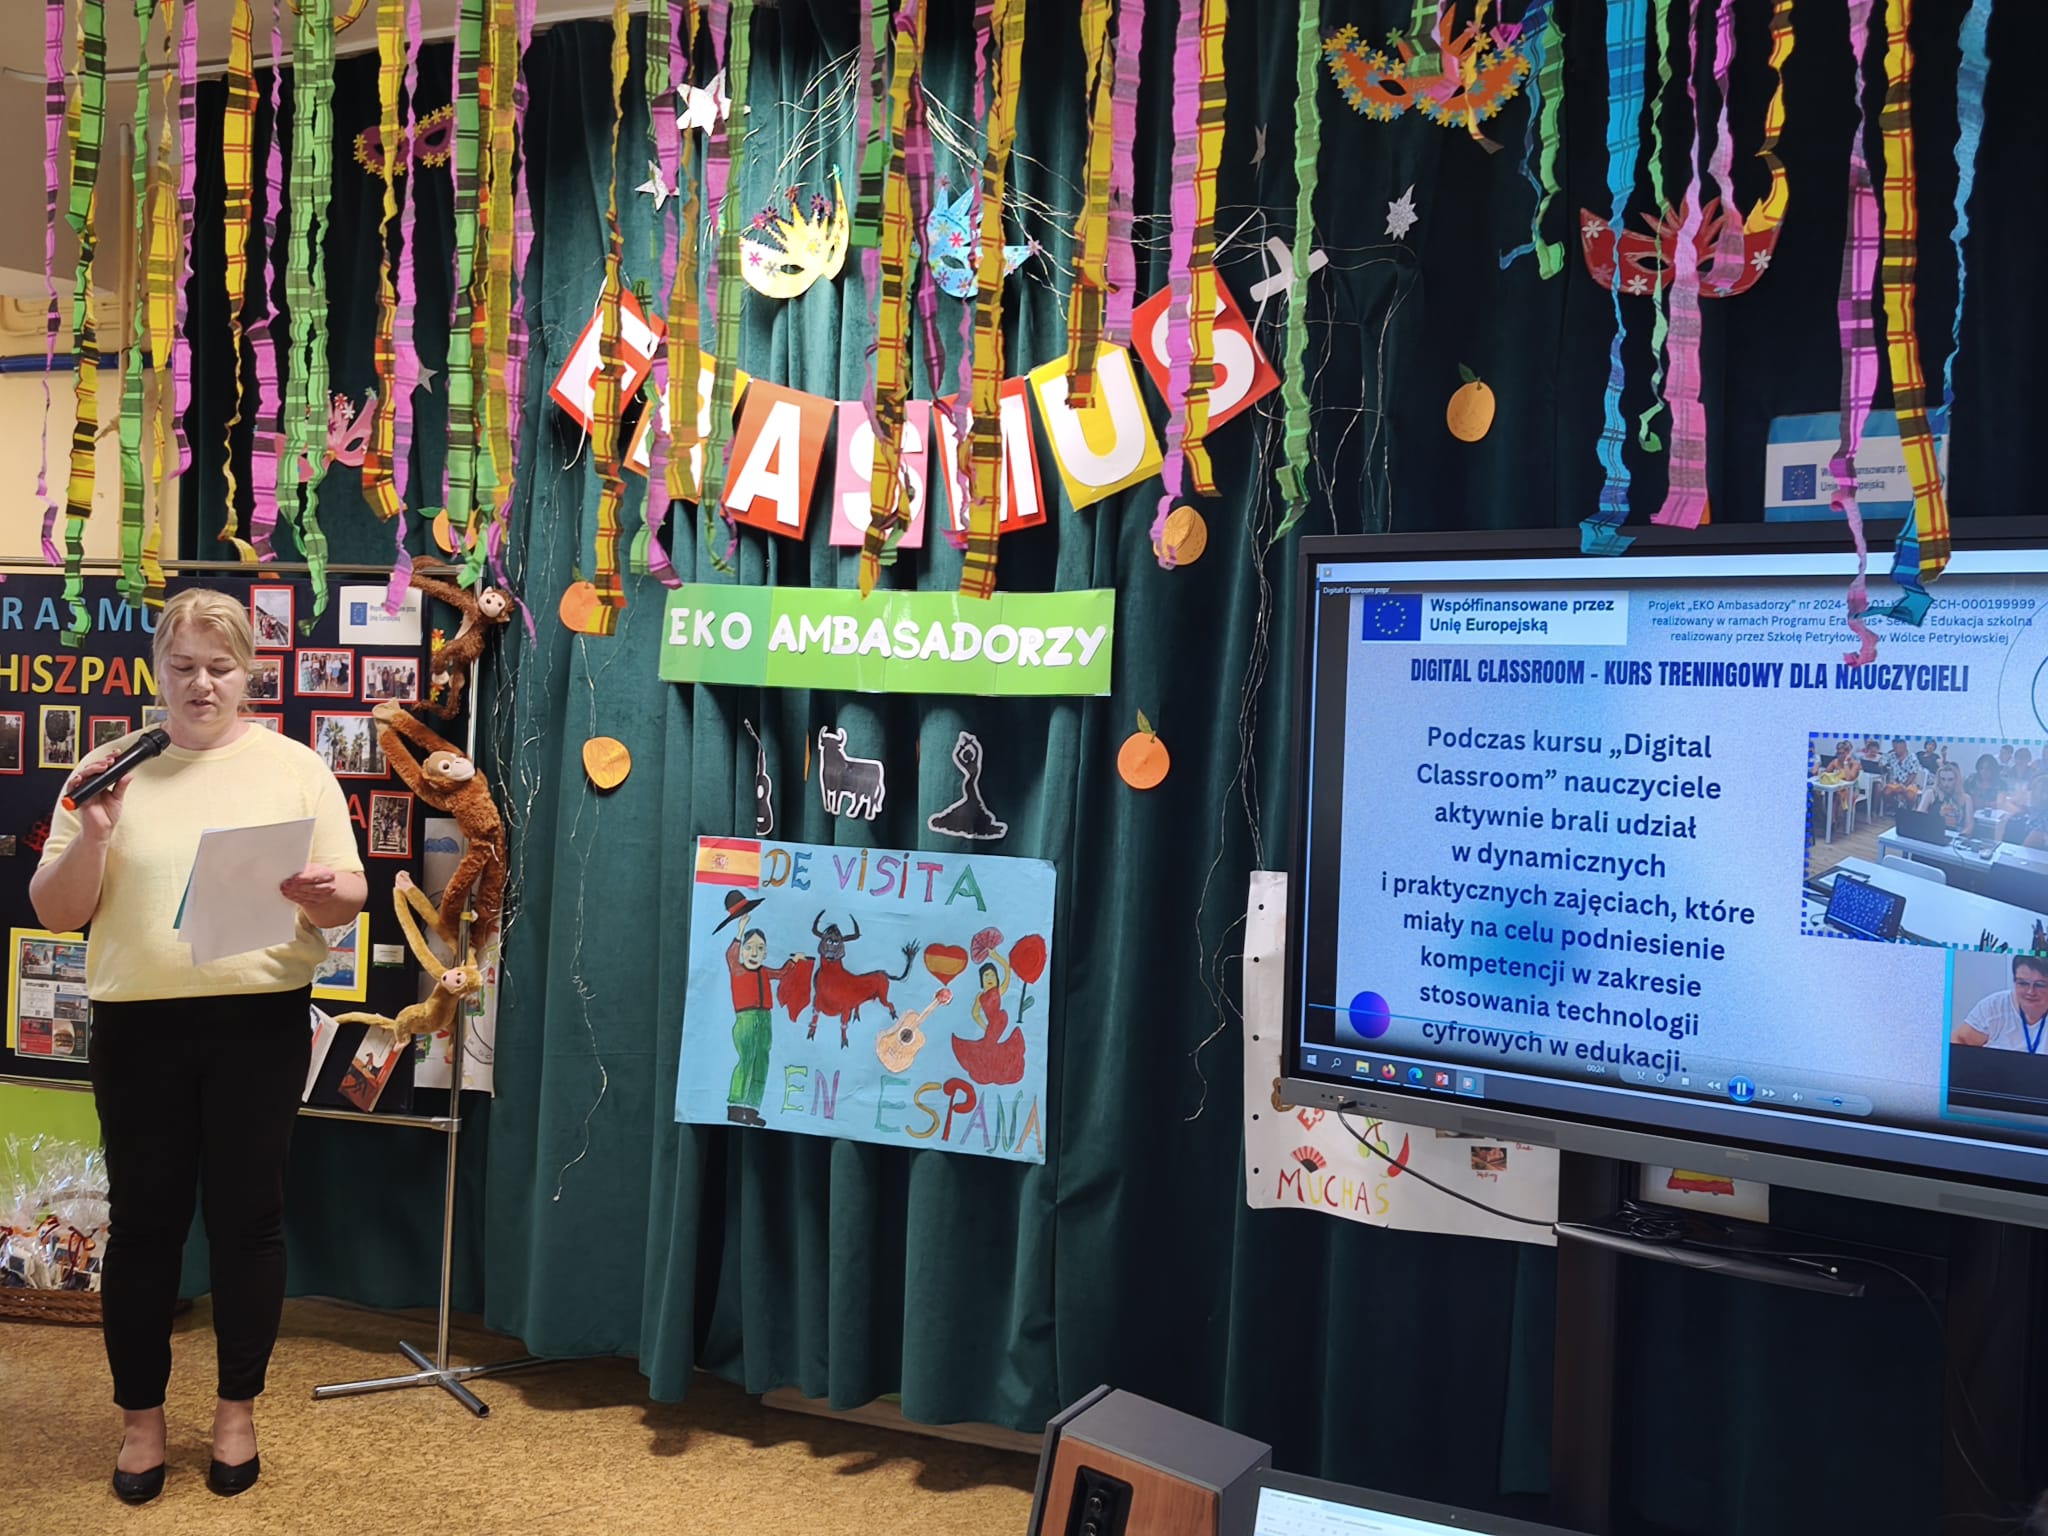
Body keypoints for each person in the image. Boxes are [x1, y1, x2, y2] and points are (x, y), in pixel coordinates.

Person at [29, 589, 366, 1505]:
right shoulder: (106, 769)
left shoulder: (296, 768)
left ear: (249, 671)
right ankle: (141, 1423)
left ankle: (235, 1414)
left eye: (220, 667)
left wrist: (325, 890)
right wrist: (97, 835)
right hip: (139, 1029)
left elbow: (351, 893)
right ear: (156, 671)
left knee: (249, 1221)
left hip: (259, 1021)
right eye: (183, 667)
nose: (202, 684)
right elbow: (55, 910)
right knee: (145, 1227)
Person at [1953, 954, 2048, 1054]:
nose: (2030, 991)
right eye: (2023, 983)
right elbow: (1959, 1041)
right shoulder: (1994, 1006)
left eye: (2040, 985)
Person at [1918, 761, 1975, 835]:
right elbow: (1919, 816)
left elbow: (1969, 825)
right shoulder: (1930, 794)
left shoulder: (1966, 799)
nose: (1946, 784)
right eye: (1943, 779)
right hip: (1933, 833)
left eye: (1950, 780)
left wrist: (1961, 835)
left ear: (1956, 780)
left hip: (1956, 835)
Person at [1879, 738, 1922, 814]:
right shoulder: (1891, 756)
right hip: (1894, 783)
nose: (1896, 749)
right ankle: (1895, 806)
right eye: (1895, 747)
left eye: (1898, 748)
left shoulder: (1912, 757)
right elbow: (1881, 763)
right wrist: (1882, 764)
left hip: (1909, 784)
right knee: (1886, 792)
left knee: (1910, 795)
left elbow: (1913, 774)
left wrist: (1904, 786)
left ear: (1904, 747)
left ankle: (1908, 812)